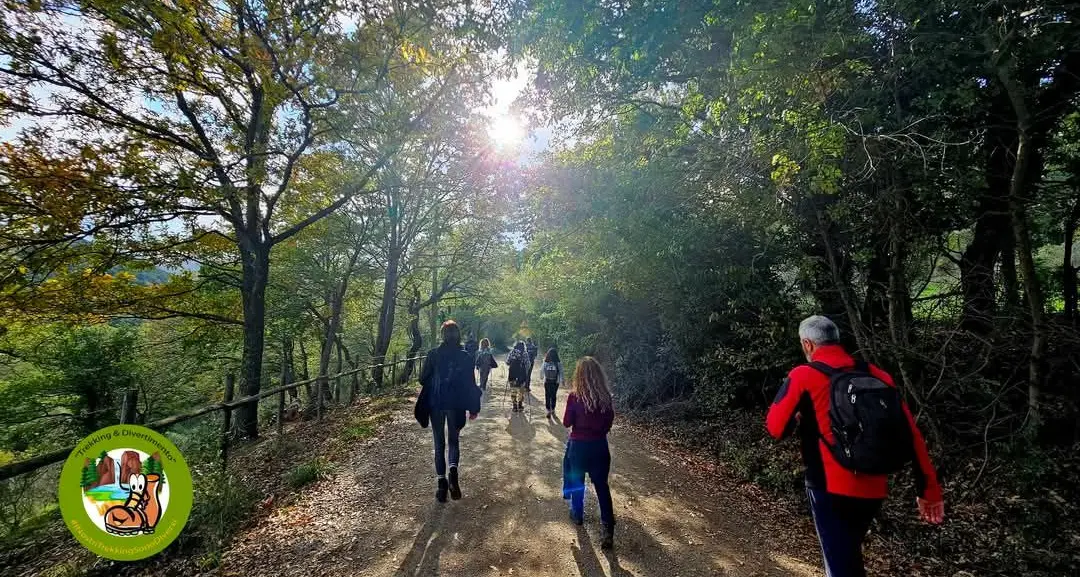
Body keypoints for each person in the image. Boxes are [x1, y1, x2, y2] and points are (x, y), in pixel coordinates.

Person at [766, 315, 944, 577]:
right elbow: (912, 435)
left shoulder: (804, 375)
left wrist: (797, 418)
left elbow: (775, 428)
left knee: (841, 565)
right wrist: (929, 490)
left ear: (807, 344)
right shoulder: (876, 374)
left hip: (828, 488)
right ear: (837, 339)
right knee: (846, 556)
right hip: (873, 489)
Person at [418, 320, 481, 503]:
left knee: (439, 444)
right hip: (456, 405)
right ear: (458, 335)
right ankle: (453, 472)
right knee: (453, 442)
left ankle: (441, 486)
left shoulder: (432, 355)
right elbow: (470, 385)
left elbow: (423, 379)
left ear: (442, 335)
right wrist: (473, 408)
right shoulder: (466, 356)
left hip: (436, 403)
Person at [562, 356, 616, 549]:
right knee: (602, 487)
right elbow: (608, 423)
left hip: (579, 447)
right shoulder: (606, 398)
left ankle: (577, 515)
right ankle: (608, 528)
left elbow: (566, 422)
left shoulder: (574, 397)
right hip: (599, 447)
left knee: (577, 482)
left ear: (579, 375)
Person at [506, 341, 531, 413]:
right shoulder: (525, 353)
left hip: (512, 374)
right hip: (522, 375)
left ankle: (514, 405)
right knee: (521, 390)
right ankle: (520, 405)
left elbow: (507, 362)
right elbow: (528, 364)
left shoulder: (512, 352)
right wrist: (525, 371)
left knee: (513, 389)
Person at [540, 347, 564, 419]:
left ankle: (548, 410)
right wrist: (562, 380)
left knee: (547, 395)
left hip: (547, 381)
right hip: (555, 381)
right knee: (553, 395)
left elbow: (542, 370)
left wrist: (541, 377)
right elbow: (561, 372)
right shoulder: (558, 363)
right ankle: (553, 409)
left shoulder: (545, 362)